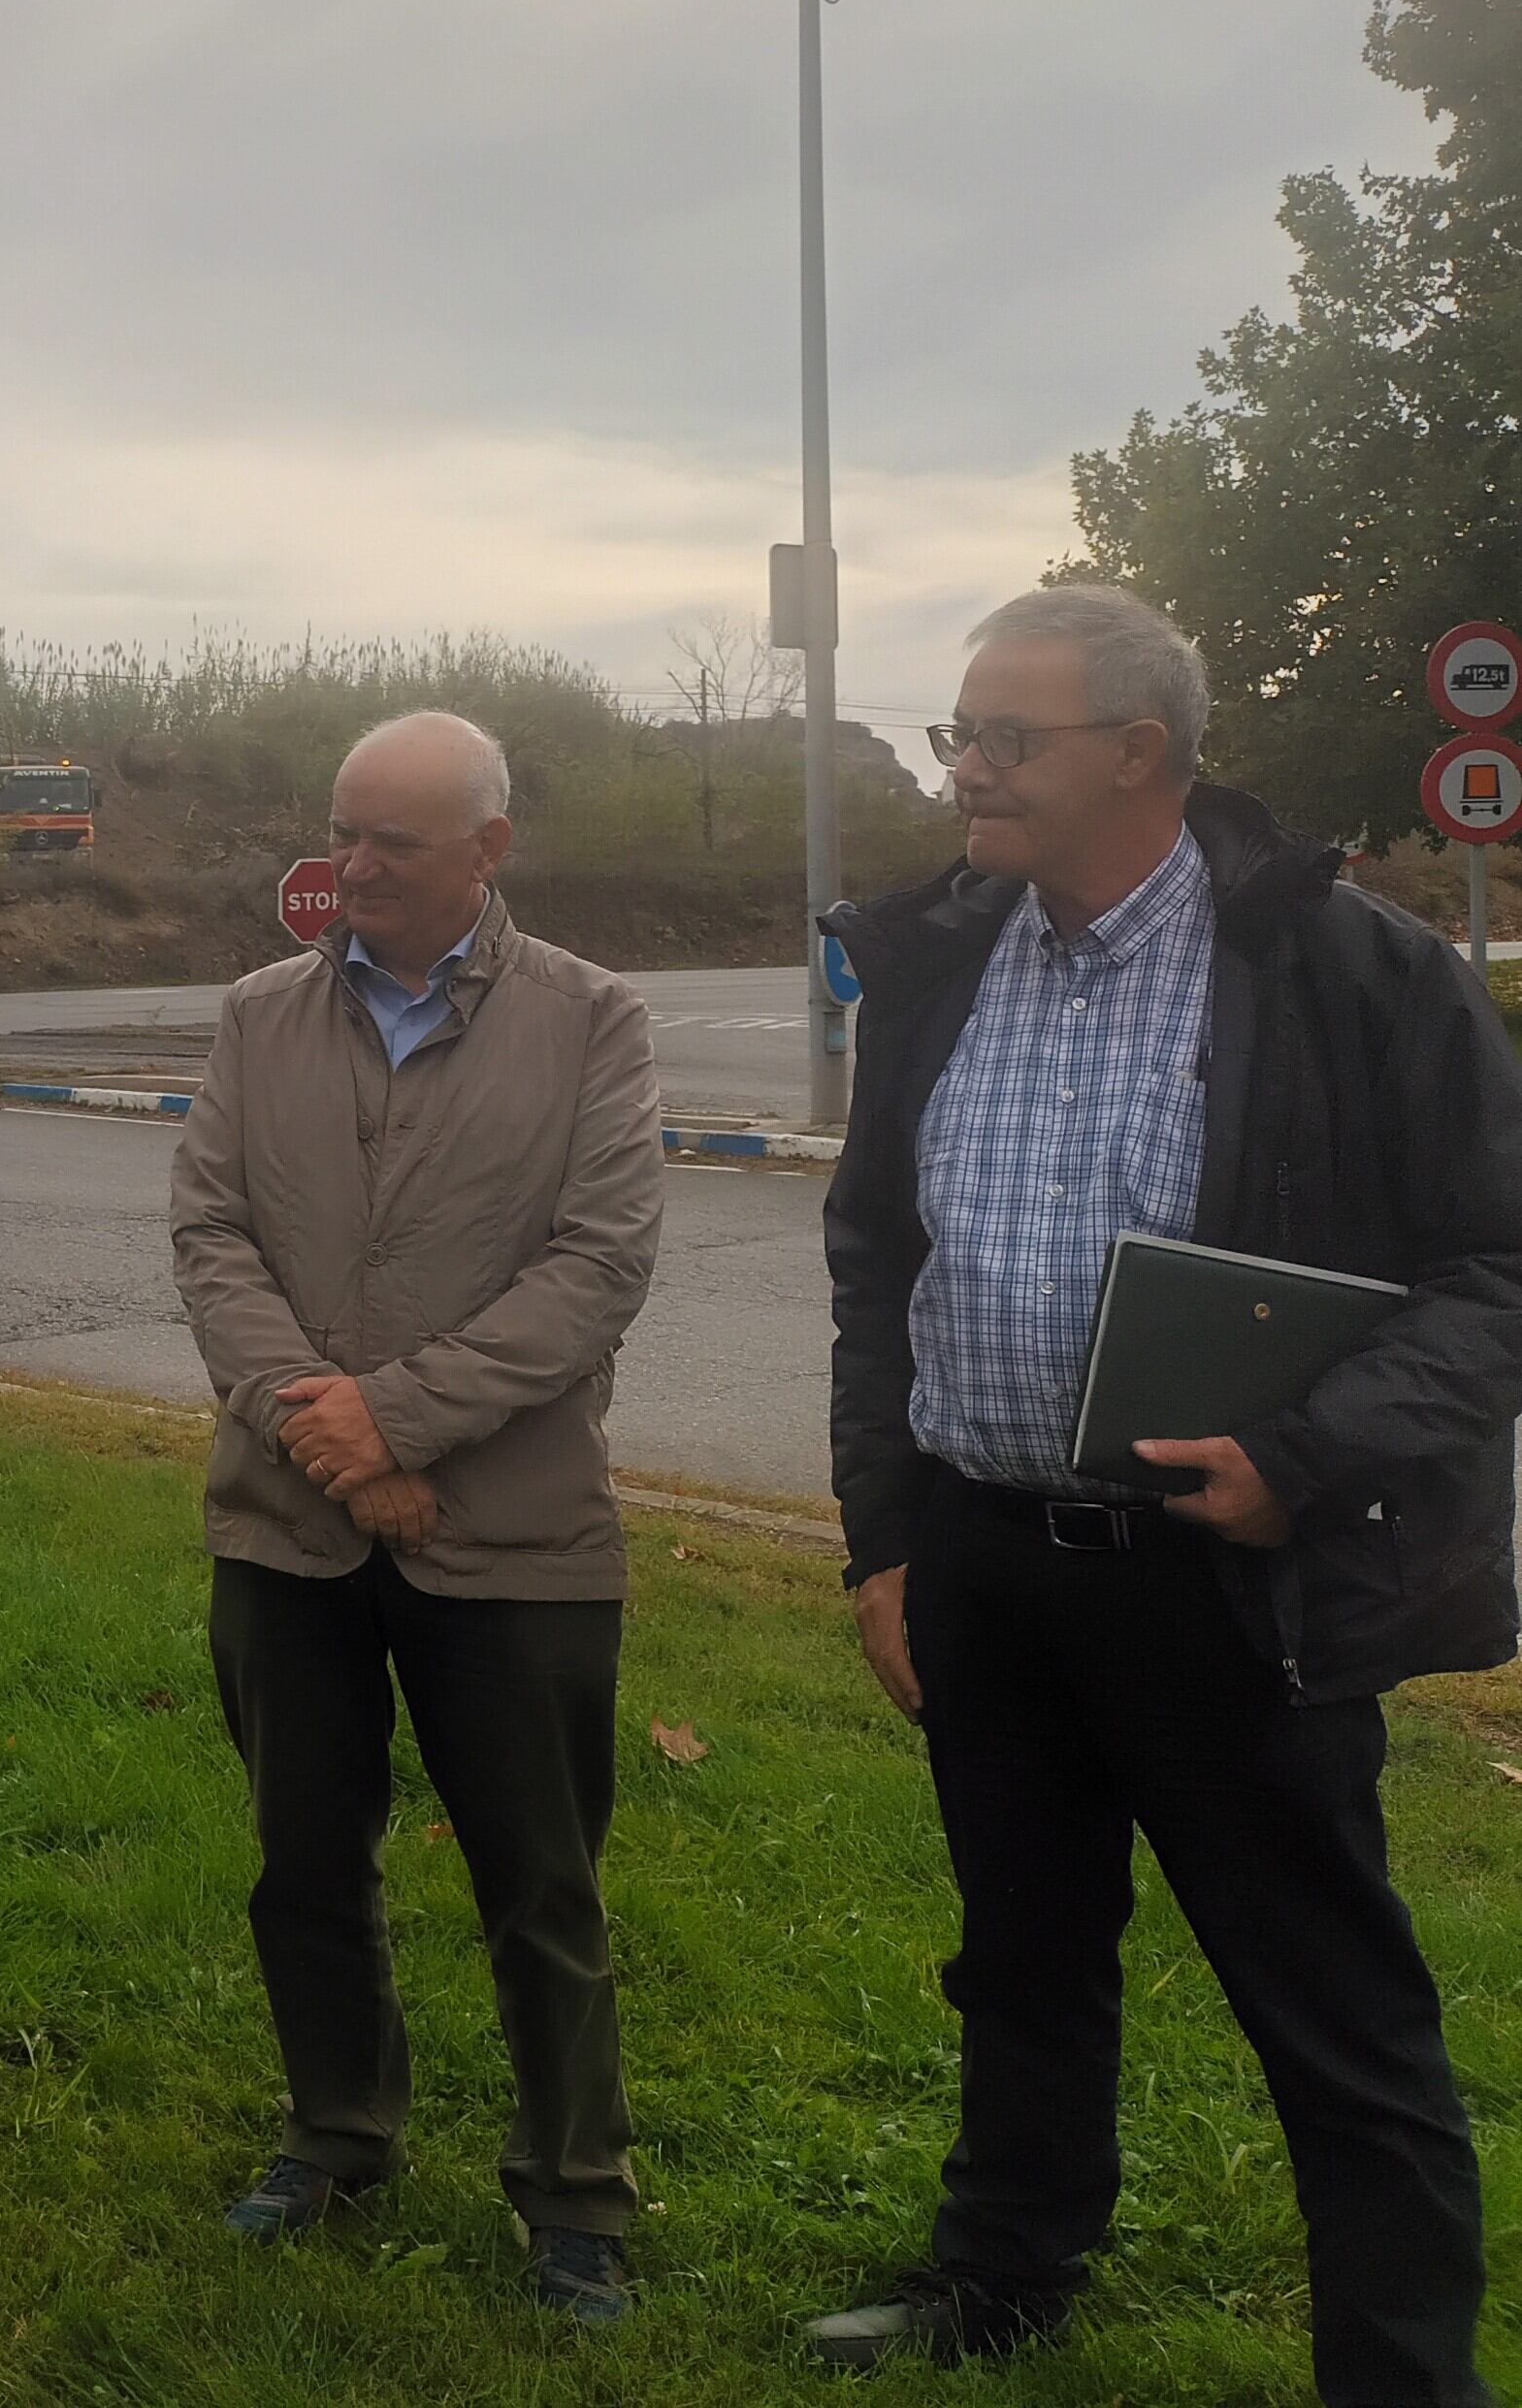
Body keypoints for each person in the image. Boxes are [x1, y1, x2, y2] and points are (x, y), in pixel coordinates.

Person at [804, 582, 1522, 2402]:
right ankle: (1006, 2273)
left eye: (1000, 737)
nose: (960, 767)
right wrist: (885, 1539)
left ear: (1140, 754)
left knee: (1340, 2024)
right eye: (958, 729)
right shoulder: (941, 959)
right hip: (986, 1560)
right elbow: (876, 1259)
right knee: (1023, 1958)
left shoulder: (1345, 969)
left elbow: (1497, 1275)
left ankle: (1398, 2374)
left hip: (1232, 1586)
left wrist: (1306, 1457)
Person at [166, 708, 664, 2328]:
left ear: (489, 852)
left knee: (541, 1881)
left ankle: (576, 2192)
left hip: (512, 1537)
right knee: (303, 1857)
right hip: (287, 1528)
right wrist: (336, 1443)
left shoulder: (591, 1022)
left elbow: (596, 1269)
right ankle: (337, 2129)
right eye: (343, 833)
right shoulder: (258, 1019)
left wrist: (400, 1413)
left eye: (394, 842)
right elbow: (213, 1243)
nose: (352, 867)